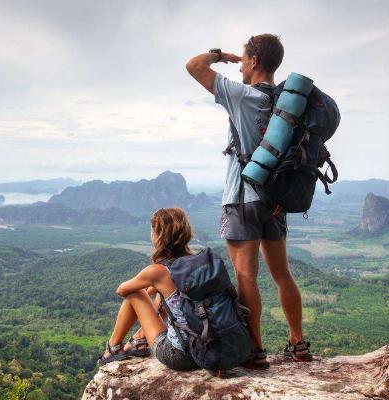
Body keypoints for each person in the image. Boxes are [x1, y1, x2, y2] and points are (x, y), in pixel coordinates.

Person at [184, 34, 313, 369]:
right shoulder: (287, 104)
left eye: (243, 60)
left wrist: (219, 55)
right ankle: (298, 344)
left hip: (242, 199)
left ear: (254, 61)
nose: (239, 66)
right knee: (282, 274)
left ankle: (255, 351)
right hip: (275, 200)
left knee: (246, 277)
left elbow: (193, 66)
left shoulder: (241, 95)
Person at [97, 208, 198, 370]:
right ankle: (140, 338)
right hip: (208, 348)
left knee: (135, 292)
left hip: (181, 355)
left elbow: (122, 290)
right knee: (164, 294)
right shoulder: (196, 261)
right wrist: (155, 287)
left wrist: (148, 285)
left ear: (159, 236)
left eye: (152, 231)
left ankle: (112, 348)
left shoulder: (158, 271)